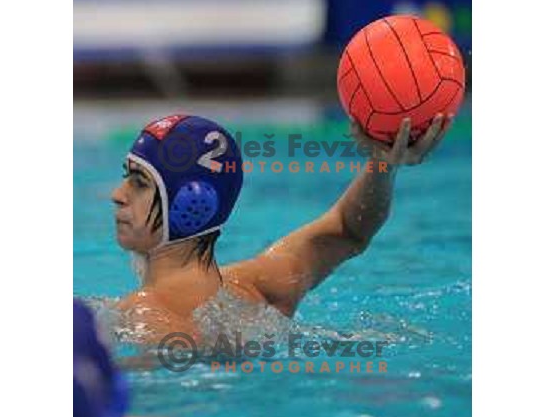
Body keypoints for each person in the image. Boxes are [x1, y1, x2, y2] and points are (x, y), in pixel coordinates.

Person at [112, 113, 451, 342]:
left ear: (191, 203)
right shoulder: (261, 287)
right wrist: (383, 163)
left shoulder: (135, 321)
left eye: (140, 183)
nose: (118, 195)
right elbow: (349, 230)